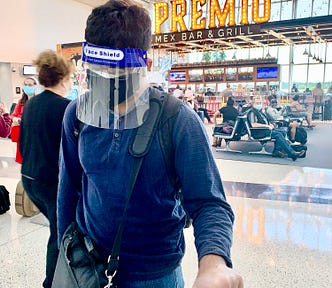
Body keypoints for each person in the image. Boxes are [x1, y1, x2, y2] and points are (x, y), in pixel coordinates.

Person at [57, 1, 243, 287]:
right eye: (99, 76)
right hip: (88, 264)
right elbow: (68, 189)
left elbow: (209, 203)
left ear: (146, 64)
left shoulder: (177, 121)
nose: (108, 91)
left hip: (154, 274)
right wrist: (64, 254)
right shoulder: (77, 115)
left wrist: (213, 263)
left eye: (119, 78)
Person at [19, 50, 73, 288]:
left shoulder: (32, 104)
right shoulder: (67, 108)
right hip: (52, 182)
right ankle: (51, 282)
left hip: (30, 178)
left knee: (56, 227)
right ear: (64, 79)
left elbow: (24, 142)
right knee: (59, 234)